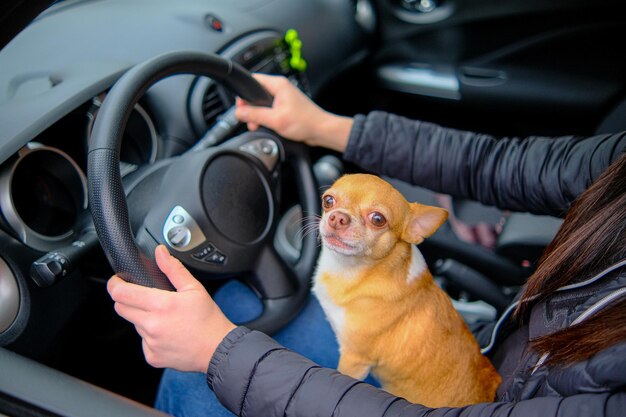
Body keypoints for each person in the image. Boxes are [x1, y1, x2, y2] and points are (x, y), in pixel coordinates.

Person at [107, 74, 626, 417]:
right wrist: (323, 126)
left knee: (197, 375)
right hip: (494, 357)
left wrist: (219, 351)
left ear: (410, 230)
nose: (335, 222)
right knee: (241, 306)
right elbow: (500, 164)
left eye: (374, 219)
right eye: (330, 204)